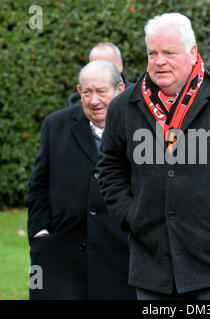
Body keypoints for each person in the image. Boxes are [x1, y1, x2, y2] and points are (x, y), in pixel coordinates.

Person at [97, 13, 210, 300]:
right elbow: (109, 167)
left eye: (169, 52)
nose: (159, 61)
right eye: (152, 53)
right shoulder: (124, 108)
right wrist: (131, 215)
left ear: (193, 53)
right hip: (154, 268)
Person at [25, 61, 136, 300]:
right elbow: (38, 185)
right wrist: (40, 233)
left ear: (120, 89)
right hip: (63, 261)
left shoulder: (143, 128)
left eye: (101, 91)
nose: (94, 100)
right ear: (79, 92)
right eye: (87, 92)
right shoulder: (55, 125)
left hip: (122, 260)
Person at [67, 42, 130, 108]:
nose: (99, 71)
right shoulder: (75, 101)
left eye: (106, 66)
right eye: (95, 66)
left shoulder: (134, 96)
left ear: (120, 65)